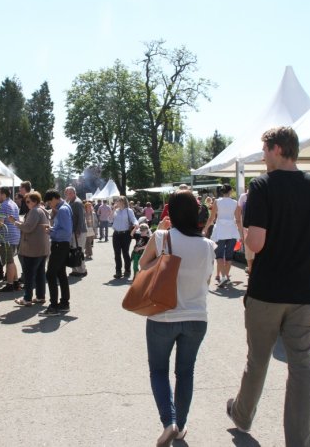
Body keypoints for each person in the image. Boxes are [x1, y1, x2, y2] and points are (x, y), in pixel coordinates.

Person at [226, 126, 310, 447]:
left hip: (267, 292)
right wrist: (306, 246)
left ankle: (242, 415)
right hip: (306, 295)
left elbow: (257, 243)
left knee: (257, 361)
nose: (263, 157)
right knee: (302, 368)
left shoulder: (262, 186)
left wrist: (246, 230)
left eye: (265, 150)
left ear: (278, 149)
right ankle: (299, 442)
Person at [138, 190, 215, 446]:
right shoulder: (207, 245)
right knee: (186, 373)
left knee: (158, 371)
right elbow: (206, 280)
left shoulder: (162, 237)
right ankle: (180, 427)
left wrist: (162, 254)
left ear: (170, 211)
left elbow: (143, 265)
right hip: (196, 317)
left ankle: (168, 421)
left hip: (162, 315)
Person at [8, 191, 50, 306]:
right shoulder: (42, 210)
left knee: (29, 274)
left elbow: (28, 228)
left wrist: (14, 222)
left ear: (35, 201)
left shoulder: (35, 211)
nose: (26, 204)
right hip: (42, 248)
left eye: (28, 201)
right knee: (40, 273)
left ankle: (27, 298)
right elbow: (31, 226)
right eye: (25, 202)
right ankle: (40, 296)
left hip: (33, 249)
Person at [42, 189, 73, 316]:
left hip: (60, 244)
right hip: (61, 244)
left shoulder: (63, 209)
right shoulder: (64, 207)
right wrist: (52, 229)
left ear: (54, 198)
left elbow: (66, 231)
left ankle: (54, 306)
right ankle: (64, 303)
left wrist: (51, 231)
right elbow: (63, 228)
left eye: (49, 202)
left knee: (50, 274)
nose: (49, 205)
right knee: (61, 274)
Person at [211, 184, 241, 288]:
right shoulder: (235, 203)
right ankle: (226, 277)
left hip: (220, 230)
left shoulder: (217, 201)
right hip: (232, 230)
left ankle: (223, 276)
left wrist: (205, 229)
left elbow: (211, 217)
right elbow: (238, 220)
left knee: (219, 255)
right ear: (231, 191)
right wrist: (241, 233)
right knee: (229, 256)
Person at [0, 187, 21, 293]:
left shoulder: (3, 206)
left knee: (9, 261)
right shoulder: (13, 204)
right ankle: (15, 282)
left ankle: (10, 284)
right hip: (15, 235)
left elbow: (0, 223)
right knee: (11, 260)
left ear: (3, 195)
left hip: (7, 237)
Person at [111, 196, 138, 278]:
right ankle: (118, 271)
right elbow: (109, 220)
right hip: (116, 234)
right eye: (117, 201)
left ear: (123, 202)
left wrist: (136, 223)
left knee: (125, 252)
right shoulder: (116, 211)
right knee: (117, 253)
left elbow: (133, 219)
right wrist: (113, 210)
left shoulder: (128, 211)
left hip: (126, 234)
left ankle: (127, 270)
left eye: (118, 201)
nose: (116, 202)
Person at [65, 186, 87, 277]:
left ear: (74, 193)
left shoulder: (78, 203)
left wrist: (78, 231)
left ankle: (82, 270)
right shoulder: (70, 202)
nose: (68, 195)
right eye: (67, 193)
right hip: (73, 231)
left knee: (79, 251)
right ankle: (75, 269)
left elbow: (81, 218)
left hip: (79, 231)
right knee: (74, 250)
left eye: (70, 193)